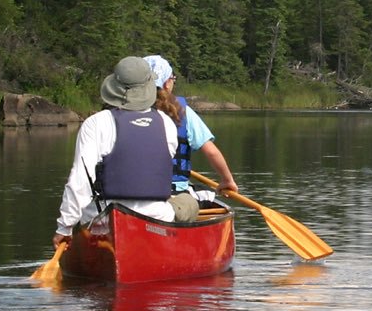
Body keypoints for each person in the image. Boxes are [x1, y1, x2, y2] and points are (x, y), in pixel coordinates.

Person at [52, 57, 181, 248]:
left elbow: (79, 181)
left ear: (114, 87)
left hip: (103, 221)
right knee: (189, 203)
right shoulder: (167, 123)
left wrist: (64, 228)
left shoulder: (96, 123)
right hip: (156, 218)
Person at [143, 55, 240, 198]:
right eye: (173, 79)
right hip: (174, 191)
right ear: (167, 83)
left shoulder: (124, 112)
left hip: (134, 190)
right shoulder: (182, 111)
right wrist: (227, 180)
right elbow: (212, 152)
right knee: (204, 194)